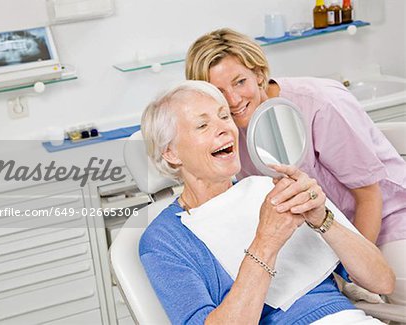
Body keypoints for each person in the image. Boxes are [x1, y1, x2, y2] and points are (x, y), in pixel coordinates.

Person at [139, 80, 395, 324]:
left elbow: (383, 282)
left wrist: (323, 219)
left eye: (224, 116)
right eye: (203, 125)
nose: (225, 128)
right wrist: (266, 242)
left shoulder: (270, 189)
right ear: (171, 153)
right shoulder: (164, 240)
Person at [185, 28, 406, 305]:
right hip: (319, 241)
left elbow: (369, 195)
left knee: (393, 290)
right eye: (219, 92)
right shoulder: (228, 133)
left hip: (385, 221)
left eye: (240, 82)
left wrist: (353, 274)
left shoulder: (320, 105)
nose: (233, 100)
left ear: (259, 73)